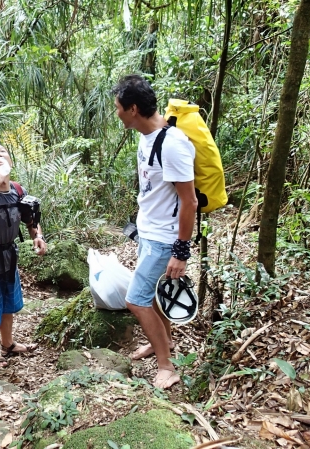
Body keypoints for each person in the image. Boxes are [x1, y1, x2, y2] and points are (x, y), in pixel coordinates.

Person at [112, 74, 198, 389]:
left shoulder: (173, 145)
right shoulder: (146, 137)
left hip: (164, 240)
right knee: (155, 297)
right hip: (148, 233)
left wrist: (181, 252)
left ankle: (167, 366)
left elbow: (189, 202)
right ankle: (163, 342)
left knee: (136, 300)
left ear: (133, 108)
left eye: (118, 107)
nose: (117, 113)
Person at [0, 144, 47, 367]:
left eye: (2, 152)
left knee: (8, 305)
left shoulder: (17, 190)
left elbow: (30, 219)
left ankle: (8, 344)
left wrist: (37, 236)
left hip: (9, 258)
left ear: (10, 162)